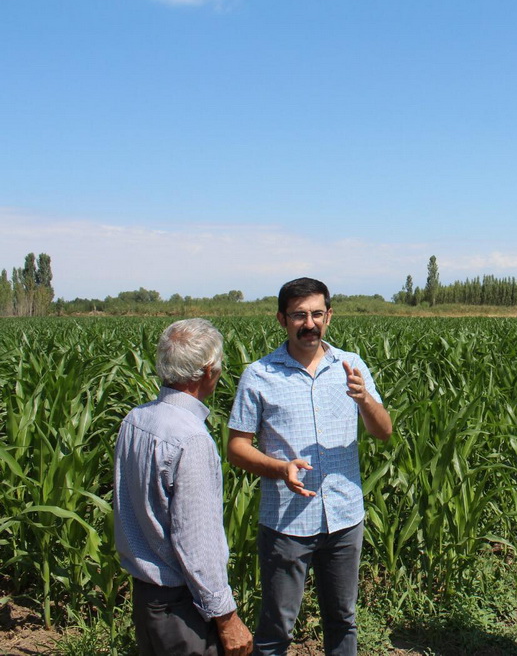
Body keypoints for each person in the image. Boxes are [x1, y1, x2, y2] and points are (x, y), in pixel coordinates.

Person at [227, 277, 392, 656]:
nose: (310, 323)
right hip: (287, 521)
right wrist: (279, 468)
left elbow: (383, 432)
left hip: (344, 515)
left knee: (343, 620)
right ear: (281, 320)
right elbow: (237, 448)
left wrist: (365, 400)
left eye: (317, 313)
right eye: (299, 315)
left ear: (329, 316)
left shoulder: (350, 366)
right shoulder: (260, 374)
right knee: (277, 628)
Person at [114, 318, 253, 656]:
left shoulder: (135, 419)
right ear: (209, 371)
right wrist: (226, 617)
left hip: (147, 599)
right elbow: (195, 540)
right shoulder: (190, 439)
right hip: (183, 607)